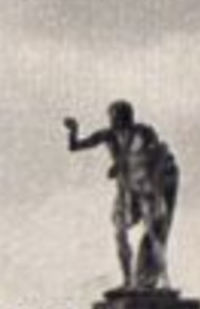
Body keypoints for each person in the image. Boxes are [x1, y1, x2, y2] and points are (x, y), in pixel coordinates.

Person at [65, 101, 180, 291]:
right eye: (112, 117)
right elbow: (76, 146)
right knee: (119, 232)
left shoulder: (144, 131)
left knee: (153, 234)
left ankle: (163, 280)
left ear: (127, 116)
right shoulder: (107, 135)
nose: (113, 120)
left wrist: (122, 164)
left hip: (145, 188)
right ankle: (128, 280)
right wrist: (73, 130)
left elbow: (155, 154)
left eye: (116, 116)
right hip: (126, 190)